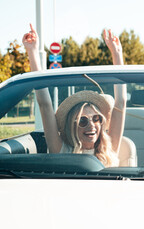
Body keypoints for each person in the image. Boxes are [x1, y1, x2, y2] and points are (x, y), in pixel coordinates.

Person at [22, 24, 127, 167]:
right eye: (82, 121)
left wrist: (117, 54)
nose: (92, 125)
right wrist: (32, 52)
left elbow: (120, 102)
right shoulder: (61, 150)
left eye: (96, 119)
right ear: (72, 126)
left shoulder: (109, 149)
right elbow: (45, 105)